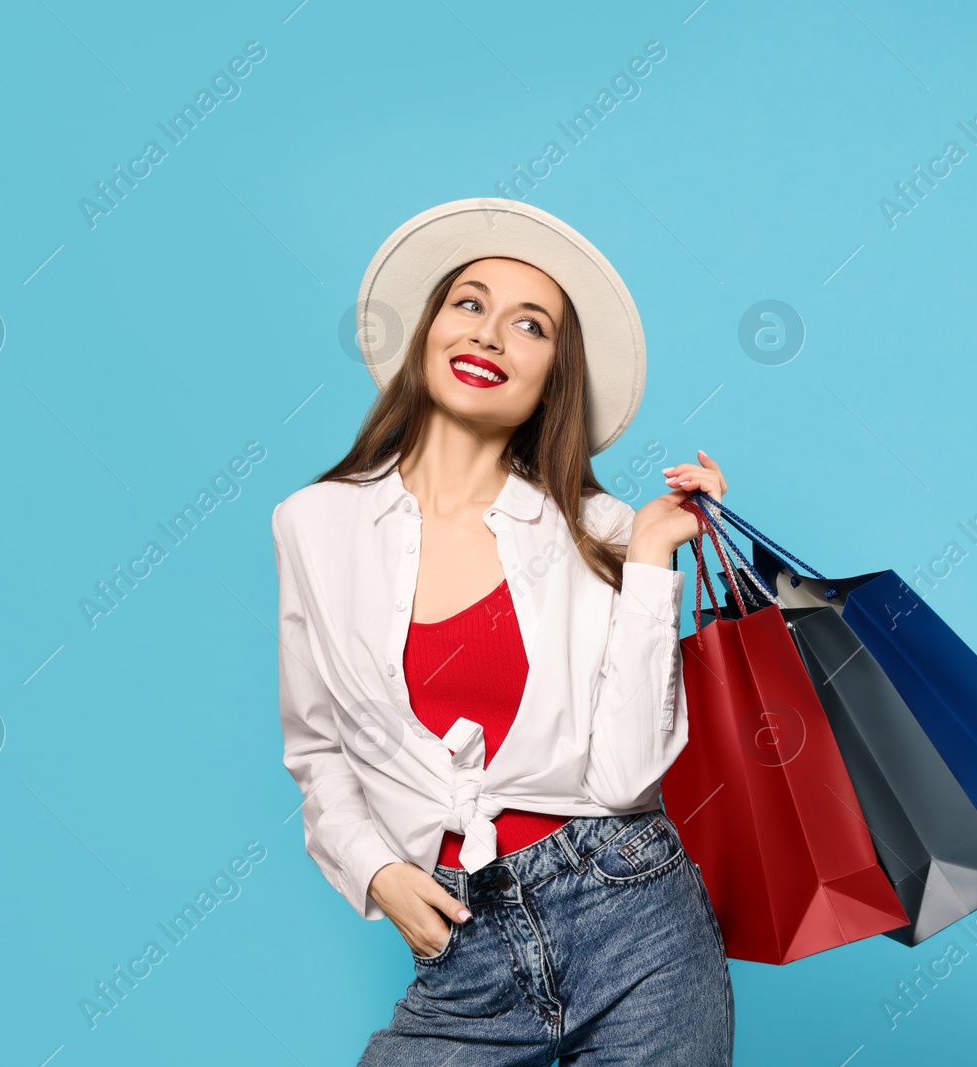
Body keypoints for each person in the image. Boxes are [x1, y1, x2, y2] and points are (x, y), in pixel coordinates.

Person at [271, 198, 734, 1064]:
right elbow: (317, 747)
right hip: (463, 948)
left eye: (531, 325)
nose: (490, 335)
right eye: (469, 304)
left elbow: (629, 774)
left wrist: (652, 558)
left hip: (634, 914)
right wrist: (375, 870)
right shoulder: (313, 525)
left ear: (554, 373)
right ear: (429, 332)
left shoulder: (599, 528)